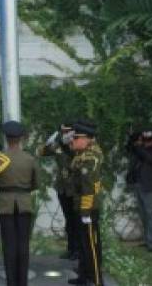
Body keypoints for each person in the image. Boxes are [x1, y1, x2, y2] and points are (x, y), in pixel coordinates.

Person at [0, 120, 39, 286]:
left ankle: (11, 282)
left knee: (9, 245)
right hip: (24, 203)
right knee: (23, 244)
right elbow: (36, 184)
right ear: (21, 138)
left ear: (6, 138)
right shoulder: (30, 159)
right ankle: (22, 282)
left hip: (5, 205)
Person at [68, 120, 103, 286]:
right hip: (80, 205)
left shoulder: (90, 157)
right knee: (83, 245)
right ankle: (83, 277)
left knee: (91, 247)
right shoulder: (83, 153)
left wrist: (85, 212)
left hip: (88, 208)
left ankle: (96, 281)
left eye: (76, 138)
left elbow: (88, 187)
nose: (72, 141)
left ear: (87, 139)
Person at [38, 119, 78, 260]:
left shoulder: (78, 144)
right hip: (62, 188)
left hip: (75, 188)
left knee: (77, 219)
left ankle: (78, 250)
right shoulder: (59, 145)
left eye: (67, 131)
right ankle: (71, 249)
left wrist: (69, 144)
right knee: (69, 220)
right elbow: (41, 152)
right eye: (63, 132)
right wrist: (50, 142)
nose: (65, 134)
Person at [126, 127, 152, 252]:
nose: (147, 142)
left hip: (151, 187)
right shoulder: (141, 148)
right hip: (139, 185)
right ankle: (148, 240)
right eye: (144, 139)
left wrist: (139, 147)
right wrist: (132, 139)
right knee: (144, 215)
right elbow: (129, 149)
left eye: (149, 140)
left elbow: (150, 159)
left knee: (151, 215)